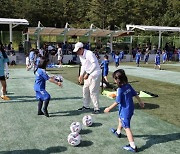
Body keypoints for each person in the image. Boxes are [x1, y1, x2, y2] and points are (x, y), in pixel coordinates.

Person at [104, 69, 144, 153]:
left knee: (127, 128)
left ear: (116, 80)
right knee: (120, 119)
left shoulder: (120, 90)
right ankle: (118, 132)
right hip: (130, 109)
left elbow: (117, 102)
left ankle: (132, 146)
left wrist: (108, 108)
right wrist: (140, 101)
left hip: (125, 111)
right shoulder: (128, 86)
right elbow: (135, 94)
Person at [73, 42, 101, 114]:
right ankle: (86, 106)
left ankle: (96, 108)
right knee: (85, 89)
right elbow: (83, 66)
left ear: (81, 49)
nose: (77, 53)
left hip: (95, 73)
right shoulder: (80, 55)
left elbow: (95, 64)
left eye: (77, 51)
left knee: (93, 91)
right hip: (88, 74)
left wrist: (88, 74)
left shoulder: (89, 53)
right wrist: (81, 75)